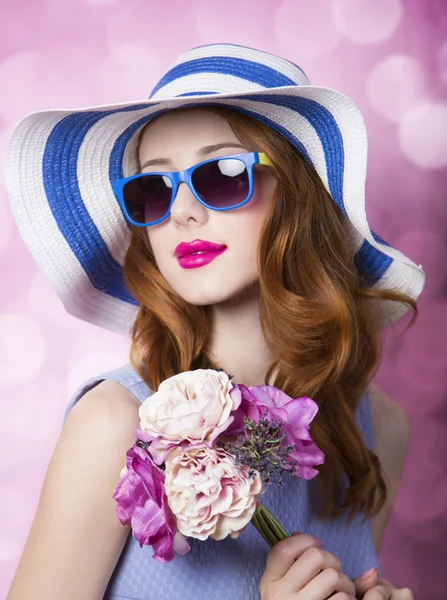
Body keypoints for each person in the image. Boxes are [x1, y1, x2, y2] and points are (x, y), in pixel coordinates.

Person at [4, 43, 423, 600]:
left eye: (223, 175)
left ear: (298, 195)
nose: (182, 211)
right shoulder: (112, 427)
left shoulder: (377, 431)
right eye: (153, 189)